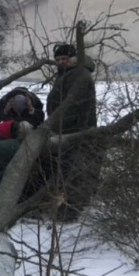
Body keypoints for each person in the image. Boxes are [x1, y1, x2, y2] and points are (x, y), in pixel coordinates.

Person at [38, 43, 100, 221]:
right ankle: (64, 206)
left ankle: (69, 211)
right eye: (57, 60)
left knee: (73, 169)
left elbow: (74, 107)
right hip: (65, 130)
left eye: (64, 59)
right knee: (66, 168)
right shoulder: (66, 74)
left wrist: (57, 128)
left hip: (74, 131)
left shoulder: (78, 75)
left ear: (73, 58)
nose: (60, 62)